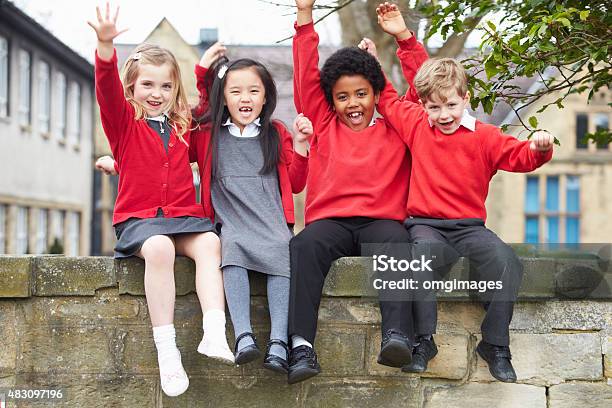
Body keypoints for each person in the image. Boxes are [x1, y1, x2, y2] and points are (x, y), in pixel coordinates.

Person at [375, 4, 555, 382]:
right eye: (434, 107)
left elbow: (520, 157)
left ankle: (494, 344)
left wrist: (539, 148)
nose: (443, 114)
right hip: (426, 225)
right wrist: (390, 48)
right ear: (422, 105)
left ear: (466, 97)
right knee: (420, 260)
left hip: (470, 227)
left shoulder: (486, 137)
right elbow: (387, 98)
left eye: (451, 105)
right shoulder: (416, 125)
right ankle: (424, 340)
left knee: (507, 262)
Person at [88, 3, 232, 397]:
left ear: (175, 90)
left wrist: (202, 68)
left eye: (166, 86)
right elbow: (105, 90)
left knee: (211, 243)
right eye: (147, 86)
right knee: (159, 249)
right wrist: (105, 47)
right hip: (140, 221)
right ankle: (167, 352)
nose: (157, 93)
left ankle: (214, 331)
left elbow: (204, 107)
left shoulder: (182, 125)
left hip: (184, 218)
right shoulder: (124, 124)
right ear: (133, 88)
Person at [287, 0, 427, 384]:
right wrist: (303, 16)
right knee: (302, 247)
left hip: (381, 222)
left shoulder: (397, 124)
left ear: (376, 94)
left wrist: (403, 37)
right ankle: (300, 346)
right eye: (343, 96)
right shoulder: (323, 123)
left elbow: (424, 87)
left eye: (361, 94)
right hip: (330, 222)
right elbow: (304, 77)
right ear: (331, 100)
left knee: (399, 242)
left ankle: (398, 335)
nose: (353, 104)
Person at [193, 47, 310, 374]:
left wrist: (301, 145)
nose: (245, 98)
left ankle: (278, 343)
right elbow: (195, 110)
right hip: (232, 222)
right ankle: (243, 335)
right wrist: (203, 71)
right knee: (230, 248)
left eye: (253, 91)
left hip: (270, 221)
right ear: (223, 97)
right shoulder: (207, 135)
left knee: (282, 248)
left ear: (265, 97)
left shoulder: (276, 134)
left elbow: (298, 182)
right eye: (236, 91)